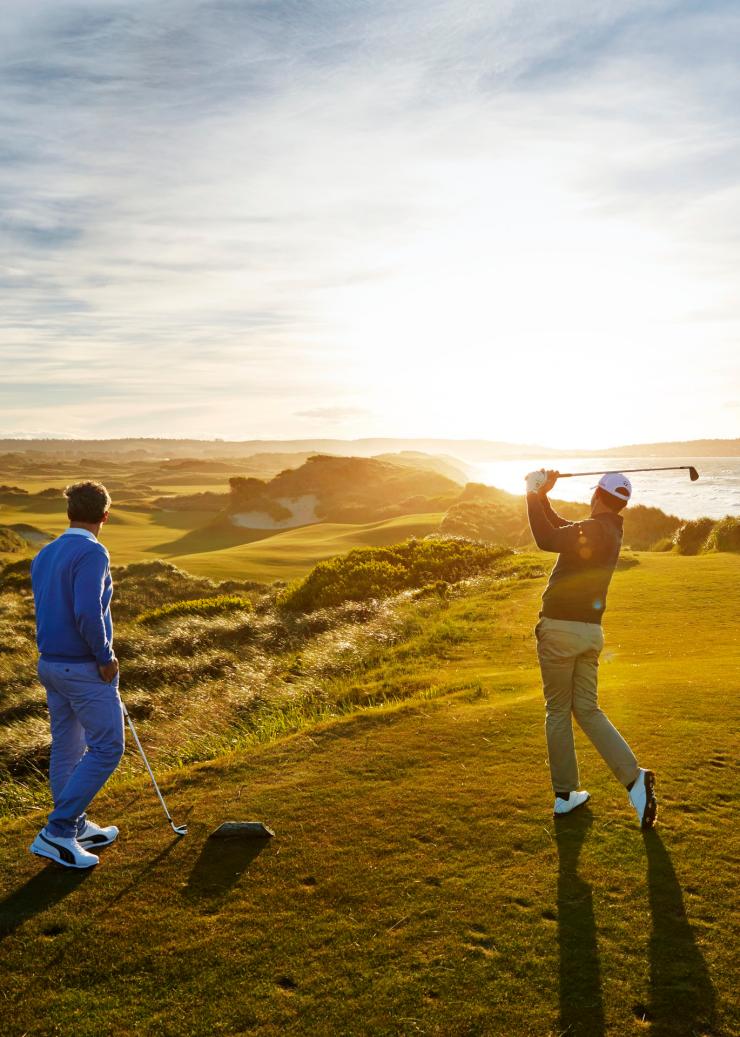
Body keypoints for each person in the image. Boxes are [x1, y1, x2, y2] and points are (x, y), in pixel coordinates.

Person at [525, 468, 657, 827]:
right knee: (587, 709)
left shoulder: (594, 530)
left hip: (559, 629)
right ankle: (635, 780)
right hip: (589, 634)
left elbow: (546, 538)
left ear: (597, 495)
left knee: (558, 711)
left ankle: (566, 794)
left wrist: (530, 490)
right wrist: (543, 496)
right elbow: (561, 528)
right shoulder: (608, 530)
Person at [28, 481, 123, 868]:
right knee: (107, 747)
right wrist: (104, 656)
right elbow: (87, 611)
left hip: (51, 664)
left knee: (68, 746)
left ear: (69, 513)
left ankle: (75, 826)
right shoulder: (93, 552)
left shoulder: (46, 552)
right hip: (83, 667)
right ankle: (58, 831)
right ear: (105, 515)